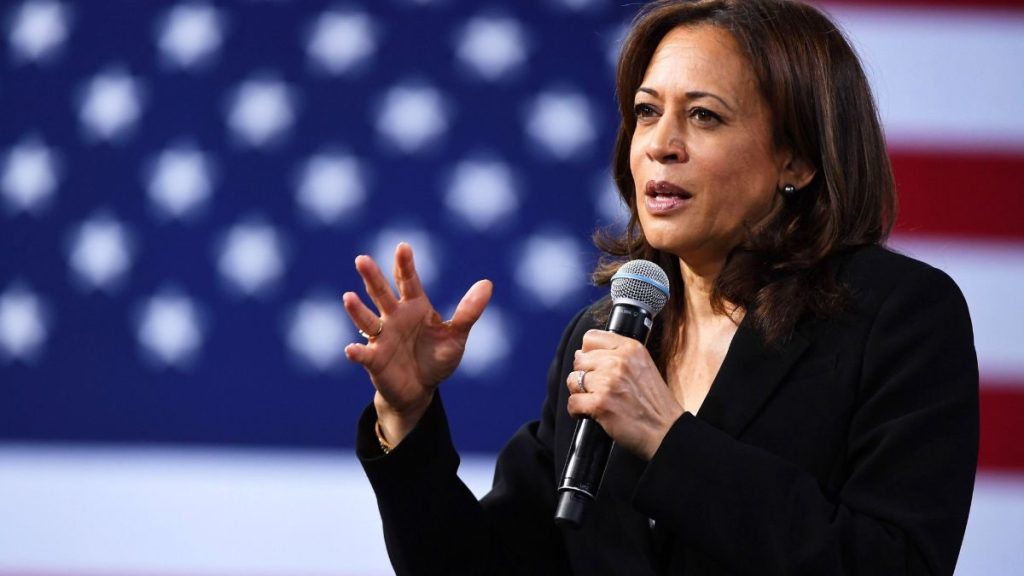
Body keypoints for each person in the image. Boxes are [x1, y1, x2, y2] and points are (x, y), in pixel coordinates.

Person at [342, 0, 979, 574]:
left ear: (798, 159)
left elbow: (893, 562)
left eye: (703, 116)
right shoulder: (604, 334)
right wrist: (408, 414)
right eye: (647, 112)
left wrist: (668, 439)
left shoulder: (897, 317)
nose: (660, 145)